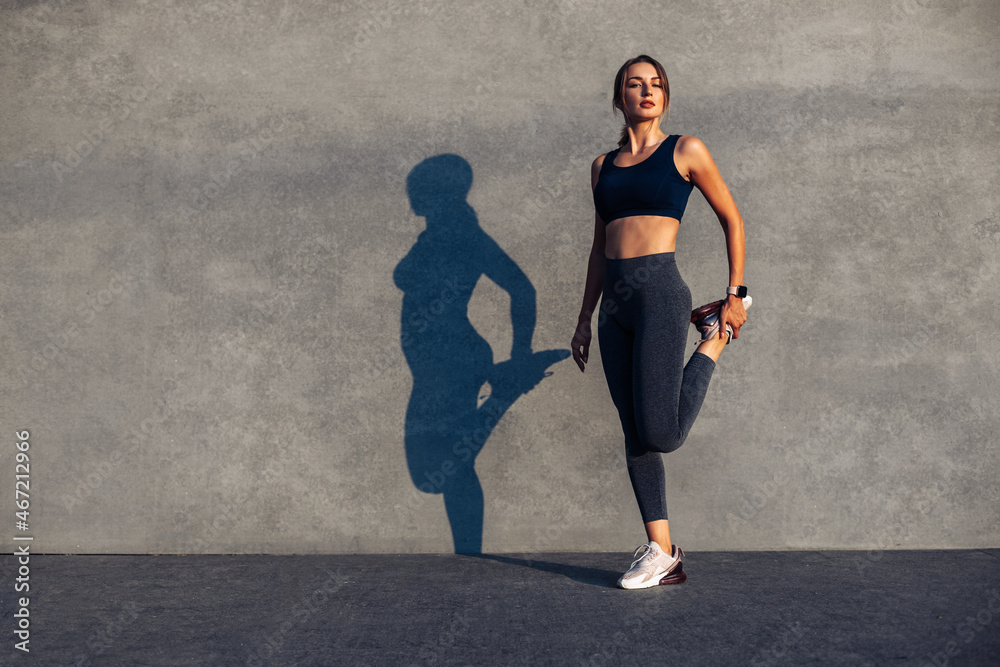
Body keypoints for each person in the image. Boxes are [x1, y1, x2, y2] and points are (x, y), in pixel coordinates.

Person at [570, 55, 750, 589]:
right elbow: (600, 249)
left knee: (661, 433)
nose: (647, 92)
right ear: (619, 96)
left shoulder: (685, 150)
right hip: (616, 309)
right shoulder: (602, 166)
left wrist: (735, 294)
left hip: (661, 295)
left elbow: (732, 218)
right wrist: (584, 318)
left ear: (665, 96)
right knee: (635, 433)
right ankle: (661, 550)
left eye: (656, 85)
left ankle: (713, 341)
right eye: (635, 84)